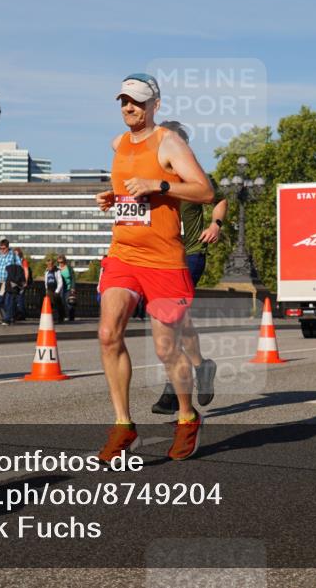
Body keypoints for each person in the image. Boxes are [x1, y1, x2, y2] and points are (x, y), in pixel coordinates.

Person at [94, 72, 214, 462]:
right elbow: (130, 189)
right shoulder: (118, 144)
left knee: (165, 348)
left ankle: (186, 416)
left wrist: (159, 185)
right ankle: (124, 426)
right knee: (108, 334)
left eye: (138, 101)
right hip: (123, 255)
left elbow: (204, 190)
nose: (129, 107)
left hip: (164, 262)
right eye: (124, 101)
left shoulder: (169, 143)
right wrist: (113, 197)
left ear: (155, 105)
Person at [150, 120, 228, 415]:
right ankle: (201, 366)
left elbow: (219, 200)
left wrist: (215, 224)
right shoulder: (149, 175)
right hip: (158, 259)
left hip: (190, 255)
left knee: (170, 319)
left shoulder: (193, 175)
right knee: (178, 320)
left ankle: (172, 391)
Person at [0, 239, 22, 325]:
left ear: (8, 247)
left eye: (4, 248)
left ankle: (7, 319)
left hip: (10, 281)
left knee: (8, 301)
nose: (2, 250)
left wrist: (17, 281)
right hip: (0, 282)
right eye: (0, 248)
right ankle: (14, 312)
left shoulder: (13, 255)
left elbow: (19, 268)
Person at [45, 258, 65, 323]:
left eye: (50, 265)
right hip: (49, 290)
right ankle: (50, 318)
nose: (49, 266)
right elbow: (46, 282)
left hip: (56, 290)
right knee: (50, 305)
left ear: (53, 265)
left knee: (58, 304)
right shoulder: (46, 272)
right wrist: (46, 289)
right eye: (48, 265)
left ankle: (60, 318)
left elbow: (60, 282)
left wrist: (57, 291)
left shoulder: (57, 271)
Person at [57, 254, 77, 322]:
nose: (60, 263)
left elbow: (73, 278)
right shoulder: (57, 269)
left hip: (68, 288)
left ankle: (71, 317)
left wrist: (73, 287)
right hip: (61, 288)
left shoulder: (69, 268)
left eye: (62, 262)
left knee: (69, 303)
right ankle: (61, 317)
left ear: (64, 261)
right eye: (59, 262)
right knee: (61, 303)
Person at [14, 247, 31, 320]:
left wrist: (25, 282)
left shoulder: (23, 261)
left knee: (20, 298)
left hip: (21, 282)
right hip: (15, 282)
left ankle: (22, 315)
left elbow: (26, 272)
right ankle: (19, 314)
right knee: (16, 299)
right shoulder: (14, 261)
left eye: (17, 254)